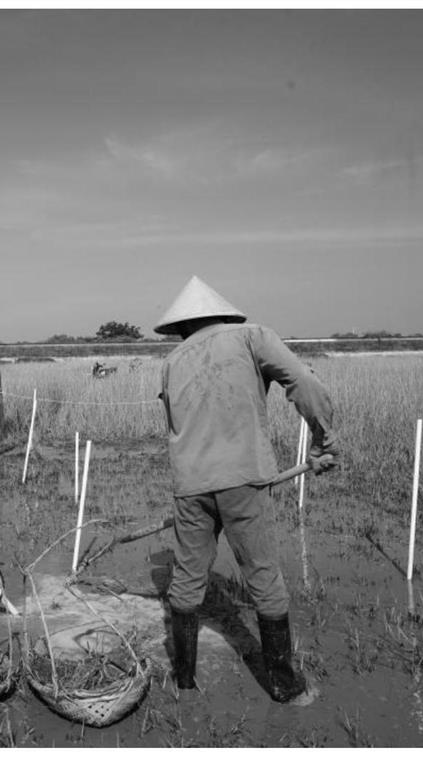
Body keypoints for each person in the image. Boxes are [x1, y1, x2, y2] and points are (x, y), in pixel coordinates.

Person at [154, 275, 339, 705]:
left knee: (185, 583)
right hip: (244, 480)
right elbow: (305, 384)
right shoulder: (253, 337)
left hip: (190, 487)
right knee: (263, 578)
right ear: (222, 313)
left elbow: (173, 425)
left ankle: (184, 683)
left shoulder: (172, 361)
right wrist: (325, 440)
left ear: (182, 326)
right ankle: (285, 686)